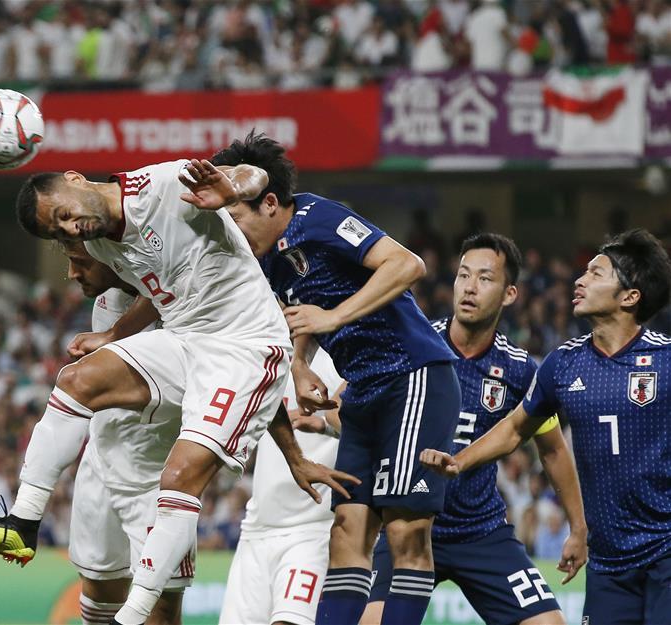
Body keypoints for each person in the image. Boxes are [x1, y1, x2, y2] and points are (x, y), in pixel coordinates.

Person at [0, 156, 355, 625]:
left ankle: (131, 616)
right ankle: (21, 523)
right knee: (77, 381)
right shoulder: (101, 245)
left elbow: (252, 174)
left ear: (75, 179)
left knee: (178, 478)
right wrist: (116, 335)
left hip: (244, 349)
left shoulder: (159, 185)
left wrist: (231, 189)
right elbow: (157, 290)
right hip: (186, 341)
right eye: (58, 233)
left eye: (62, 215)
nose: (70, 230)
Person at [211, 132, 460, 625]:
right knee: (346, 528)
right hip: (364, 388)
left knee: (406, 533)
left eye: (235, 218)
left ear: (268, 202)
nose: (232, 231)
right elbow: (302, 308)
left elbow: (407, 264)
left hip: (412, 375)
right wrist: (300, 364)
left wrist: (334, 318)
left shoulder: (318, 218)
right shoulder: (265, 258)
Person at [421, 229, 671, 625]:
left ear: (630, 296)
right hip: (608, 566)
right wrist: (461, 460)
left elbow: (550, 447)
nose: (579, 280)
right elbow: (516, 428)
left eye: (596, 274)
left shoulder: (665, 360)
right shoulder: (562, 364)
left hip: (664, 550)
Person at [365, 233, 587, 625]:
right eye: (463, 275)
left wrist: (578, 527)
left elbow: (552, 449)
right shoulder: (412, 344)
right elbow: (354, 405)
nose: (470, 287)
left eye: (485, 279)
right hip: (409, 525)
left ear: (509, 294)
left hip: (481, 532)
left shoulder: (519, 369)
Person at [62, 242, 189, 625]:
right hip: (100, 461)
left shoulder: (182, 305)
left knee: (160, 605)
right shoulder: (108, 301)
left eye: (80, 262)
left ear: (112, 257)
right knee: (99, 588)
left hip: (157, 472)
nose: (72, 274)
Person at [220, 347, 344, 625]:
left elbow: (373, 430)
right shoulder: (269, 355)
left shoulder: (346, 357)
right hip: (257, 526)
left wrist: (326, 425)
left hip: (314, 529)